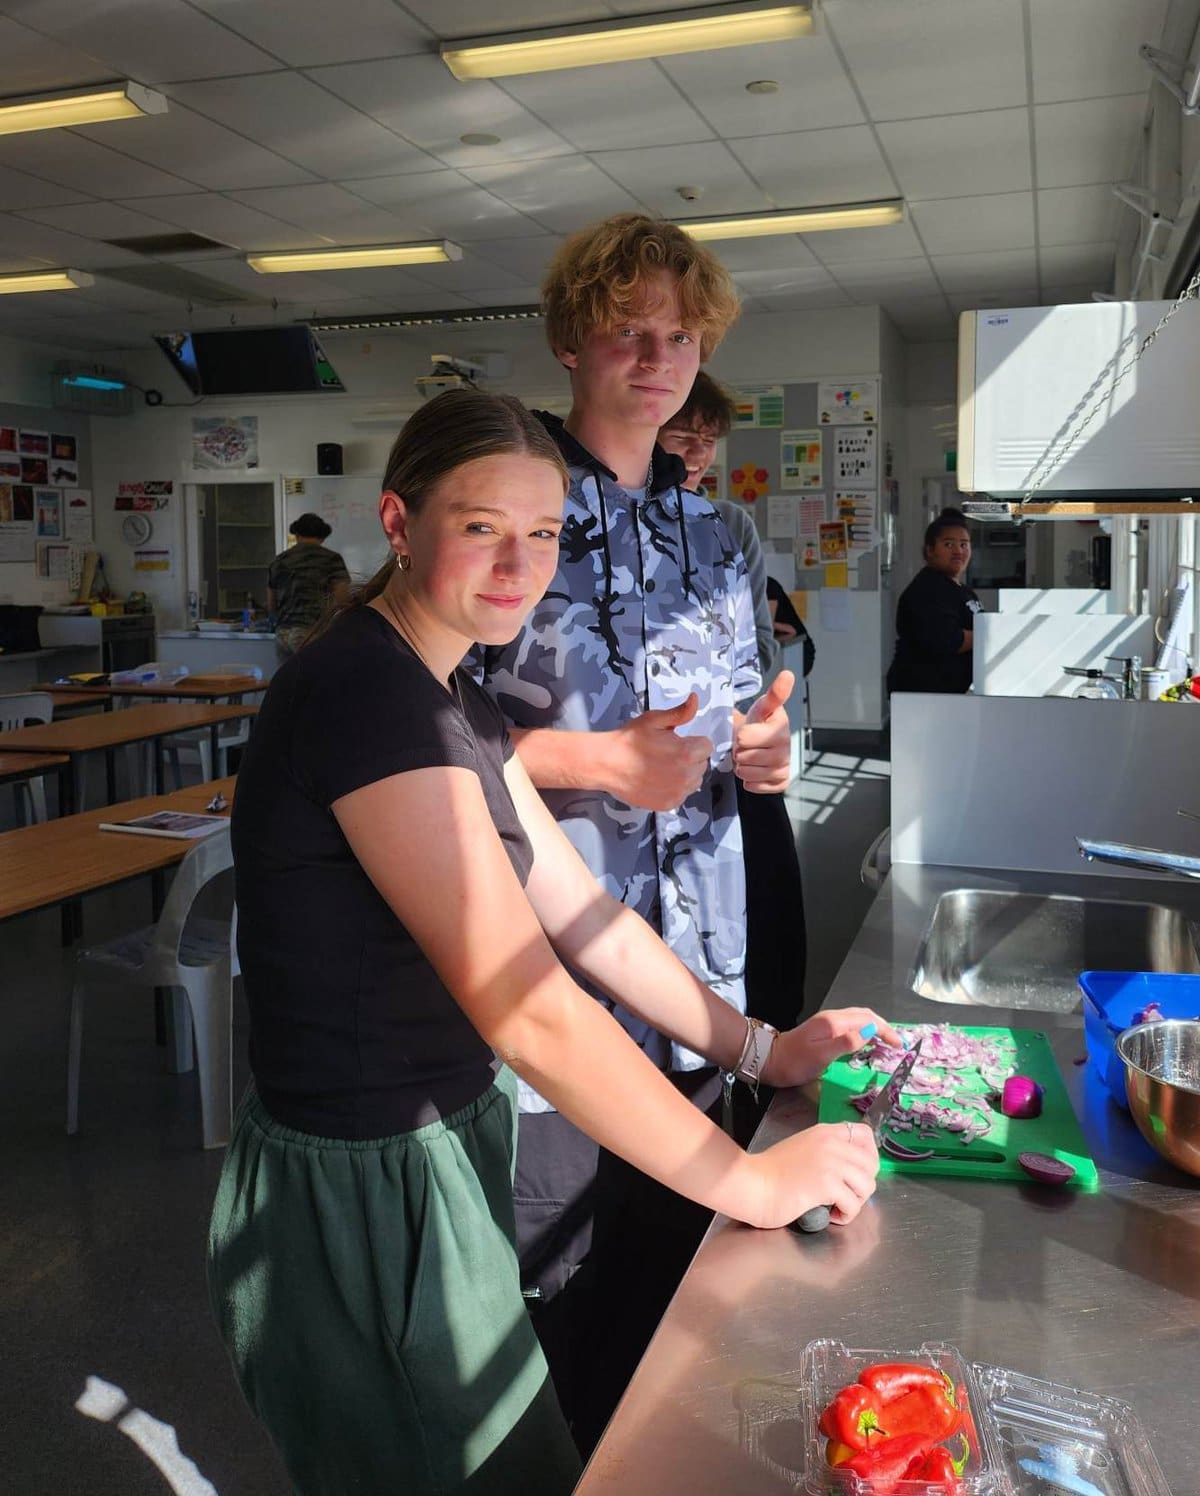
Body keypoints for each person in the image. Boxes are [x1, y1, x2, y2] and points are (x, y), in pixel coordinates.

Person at [207, 388, 886, 1496]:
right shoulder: (368, 697)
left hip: (440, 1142)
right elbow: (528, 1006)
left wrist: (762, 1049)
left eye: (543, 531)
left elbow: (585, 917)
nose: (519, 566)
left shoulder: (449, 693)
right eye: (481, 526)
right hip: (370, 1181)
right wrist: (749, 1186)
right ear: (397, 520)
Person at [474, 215, 793, 1447]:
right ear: (572, 342)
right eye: (628, 332)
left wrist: (770, 753)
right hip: (548, 991)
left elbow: (747, 712)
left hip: (698, 974)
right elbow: (422, 740)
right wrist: (596, 760)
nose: (658, 359)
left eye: (679, 336)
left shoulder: (714, 534)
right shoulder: (510, 515)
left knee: (682, 1290)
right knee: (556, 1303)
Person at [658, 372, 807, 1043]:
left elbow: (757, 655)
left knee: (769, 926)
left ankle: (759, 1056)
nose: (696, 451)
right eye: (682, 433)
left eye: (708, 438)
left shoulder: (728, 526)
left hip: (726, 752)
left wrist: (744, 720)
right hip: (648, 771)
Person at [886, 508, 982, 695]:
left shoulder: (964, 591)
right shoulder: (927, 589)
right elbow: (950, 640)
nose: (958, 551)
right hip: (923, 693)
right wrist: (990, 633)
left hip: (950, 694)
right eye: (948, 544)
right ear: (929, 550)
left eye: (964, 544)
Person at [266, 511, 349, 658]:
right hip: (313, 631)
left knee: (288, 673)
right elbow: (342, 598)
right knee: (317, 673)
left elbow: (271, 604)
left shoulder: (279, 561)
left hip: (283, 633)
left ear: (297, 535)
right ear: (322, 536)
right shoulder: (332, 559)